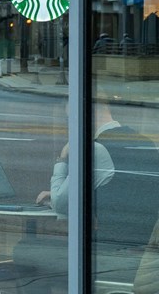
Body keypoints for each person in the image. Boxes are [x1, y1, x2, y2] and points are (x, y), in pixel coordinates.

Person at [15, 102, 159, 292]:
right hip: (145, 255)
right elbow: (128, 190)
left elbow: (59, 204)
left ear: (89, 113)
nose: (70, 126)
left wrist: (62, 158)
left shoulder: (95, 148)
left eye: (70, 119)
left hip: (114, 253)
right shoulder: (144, 141)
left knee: (26, 250)